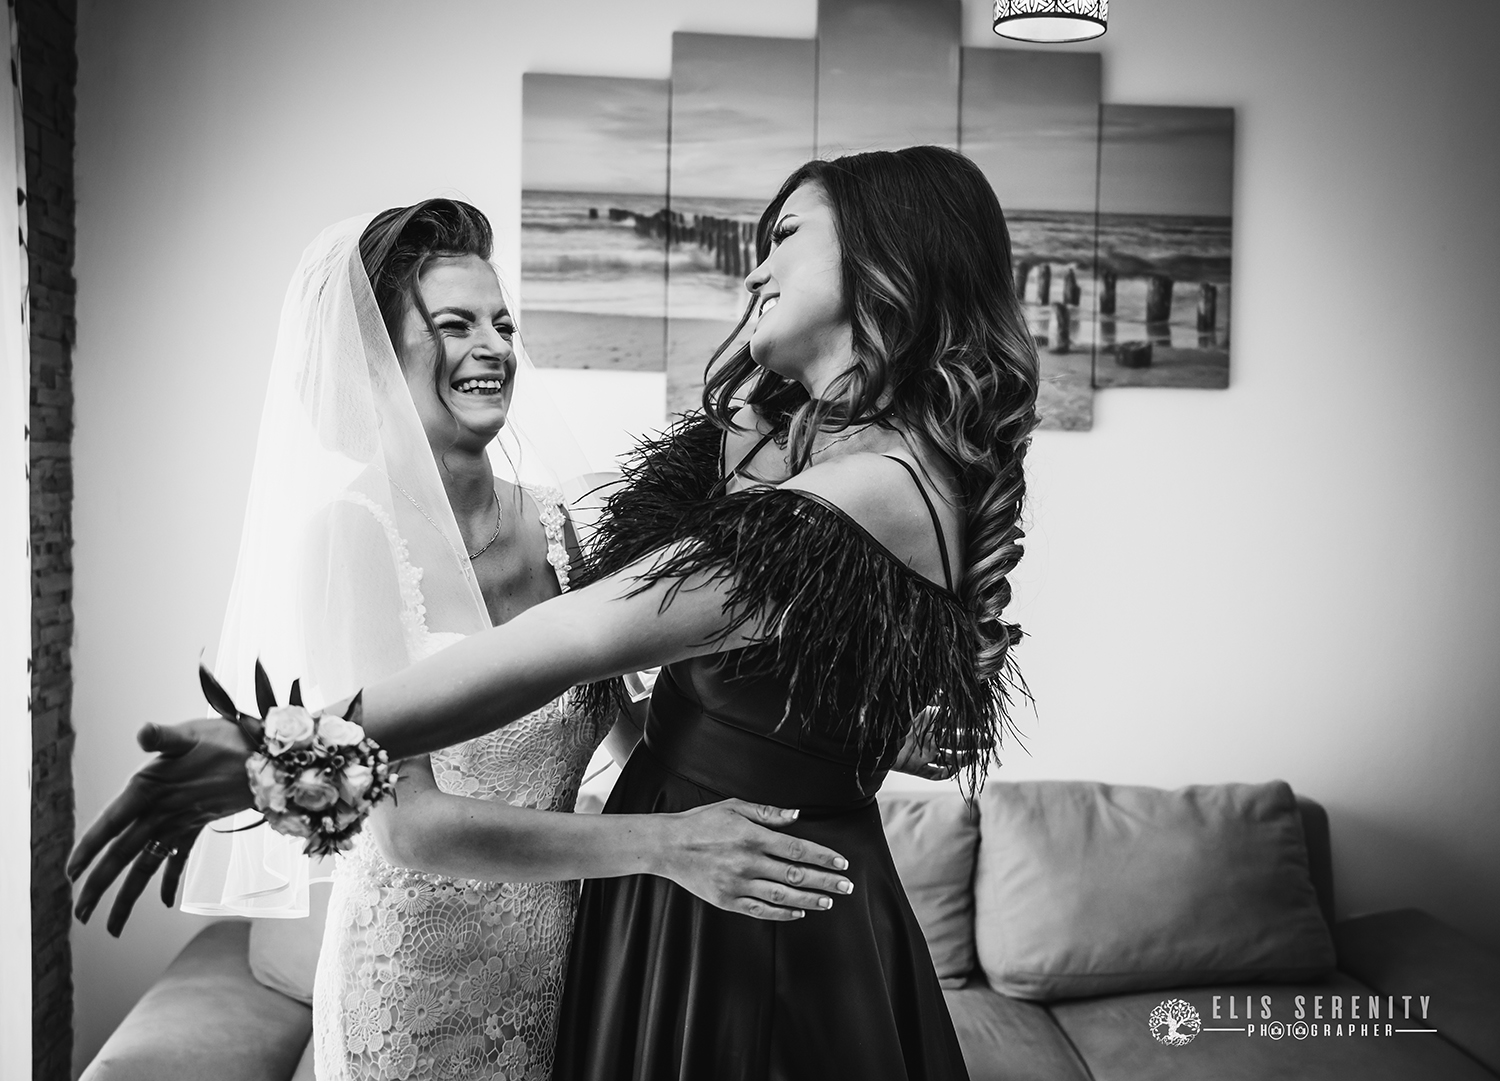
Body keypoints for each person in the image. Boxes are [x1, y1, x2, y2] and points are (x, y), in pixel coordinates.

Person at [71, 146, 1038, 1079]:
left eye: (785, 236)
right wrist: (826, 733)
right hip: (495, 953)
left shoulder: (850, 495)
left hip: (694, 911)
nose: (754, 273)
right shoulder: (820, 455)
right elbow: (684, 695)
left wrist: (275, 747)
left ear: (885, 262)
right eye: (455, 323)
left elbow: (569, 643)